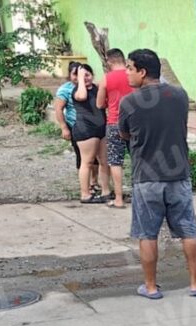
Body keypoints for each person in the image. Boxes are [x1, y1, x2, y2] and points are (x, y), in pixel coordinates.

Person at [118, 48, 196, 299]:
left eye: (129, 68)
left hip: (146, 178)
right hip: (178, 175)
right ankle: (195, 284)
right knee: (188, 230)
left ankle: (150, 287)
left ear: (142, 72)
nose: (126, 73)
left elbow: (124, 134)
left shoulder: (128, 103)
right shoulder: (179, 95)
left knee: (147, 234)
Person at [53, 62, 102, 196]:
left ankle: (94, 181)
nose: (79, 77)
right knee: (83, 158)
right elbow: (58, 109)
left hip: (95, 128)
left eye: (85, 74)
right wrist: (64, 128)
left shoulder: (93, 87)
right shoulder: (66, 90)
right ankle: (85, 187)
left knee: (96, 158)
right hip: (77, 126)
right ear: (70, 75)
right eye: (75, 74)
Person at [96, 48, 132, 208]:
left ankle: (118, 198)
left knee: (115, 161)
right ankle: (141, 195)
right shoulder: (134, 75)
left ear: (109, 61)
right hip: (135, 123)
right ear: (123, 60)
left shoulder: (106, 79)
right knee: (138, 158)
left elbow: (99, 104)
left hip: (114, 123)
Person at [71, 64, 111, 205]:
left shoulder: (96, 88)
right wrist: (81, 79)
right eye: (82, 75)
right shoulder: (77, 90)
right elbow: (82, 96)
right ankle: (85, 194)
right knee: (87, 162)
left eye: (88, 75)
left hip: (101, 129)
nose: (86, 78)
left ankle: (106, 191)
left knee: (104, 161)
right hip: (85, 130)